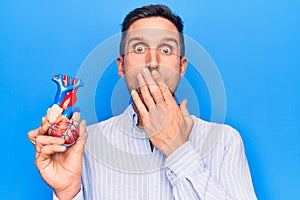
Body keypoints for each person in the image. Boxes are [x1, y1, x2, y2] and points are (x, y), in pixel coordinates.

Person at [28, 4, 257, 200]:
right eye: (139, 48)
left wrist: (178, 151)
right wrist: (67, 192)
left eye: (166, 49)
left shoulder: (225, 142)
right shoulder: (84, 145)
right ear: (121, 65)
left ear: (182, 67)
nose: (152, 62)